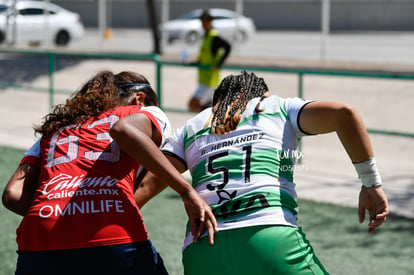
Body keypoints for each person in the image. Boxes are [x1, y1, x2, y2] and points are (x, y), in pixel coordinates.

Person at [135, 71, 389, 275]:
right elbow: (344, 114)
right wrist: (371, 184)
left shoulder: (190, 127)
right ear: (260, 94)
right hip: (269, 235)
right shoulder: (278, 106)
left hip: (202, 249)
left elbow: (145, 187)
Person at [2, 70, 217, 275]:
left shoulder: (56, 128)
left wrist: (66, 214)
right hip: (111, 238)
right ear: (140, 99)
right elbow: (124, 131)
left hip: (38, 240)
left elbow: (12, 194)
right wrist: (186, 190)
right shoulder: (145, 112)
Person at [188, 9, 232, 112]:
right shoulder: (206, 36)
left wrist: (219, 64)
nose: (203, 24)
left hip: (210, 81)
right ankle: (210, 117)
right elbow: (205, 56)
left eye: (205, 21)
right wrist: (193, 63)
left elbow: (228, 47)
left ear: (210, 21)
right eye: (202, 22)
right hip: (204, 79)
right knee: (208, 106)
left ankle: (210, 115)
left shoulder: (214, 36)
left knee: (192, 104)